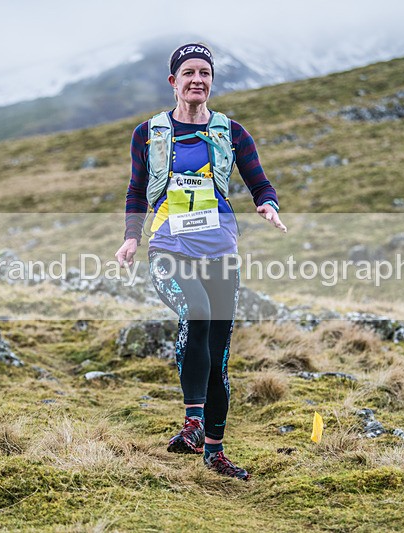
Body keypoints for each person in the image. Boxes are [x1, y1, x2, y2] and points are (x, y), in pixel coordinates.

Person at [115, 42, 287, 481]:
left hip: (220, 248)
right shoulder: (148, 133)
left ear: (212, 82)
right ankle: (193, 420)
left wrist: (267, 205)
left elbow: (258, 180)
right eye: (189, 73)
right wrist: (131, 239)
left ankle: (214, 451)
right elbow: (137, 191)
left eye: (205, 74)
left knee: (218, 353)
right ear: (174, 82)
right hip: (170, 247)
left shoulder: (231, 132)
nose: (197, 80)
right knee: (197, 312)